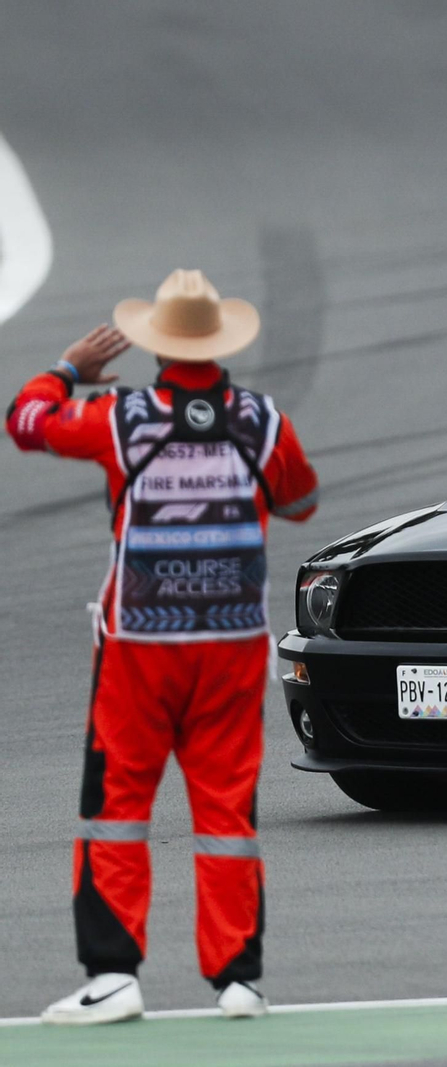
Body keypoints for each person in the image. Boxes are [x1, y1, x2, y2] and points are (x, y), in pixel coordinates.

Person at [6, 270, 319, 1024]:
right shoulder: (263, 421)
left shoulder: (120, 418)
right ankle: (238, 981)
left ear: (157, 345)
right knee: (227, 813)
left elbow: (24, 421)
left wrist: (66, 371)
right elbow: (302, 501)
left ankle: (114, 978)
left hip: (139, 649)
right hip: (232, 647)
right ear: (219, 343)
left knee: (116, 808)